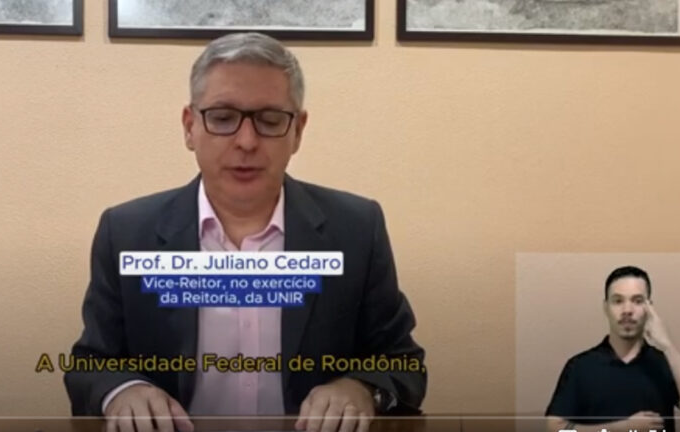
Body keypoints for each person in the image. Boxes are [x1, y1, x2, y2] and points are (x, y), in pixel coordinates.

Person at [64, 32, 426, 432]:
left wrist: (362, 389)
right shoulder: (127, 232)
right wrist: (122, 390)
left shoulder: (356, 229)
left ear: (298, 131)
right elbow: (90, 365)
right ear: (189, 127)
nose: (247, 141)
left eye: (270, 120)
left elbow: (403, 362)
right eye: (222, 118)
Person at [545, 266, 680, 432]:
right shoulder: (580, 366)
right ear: (606, 307)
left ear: (650, 308)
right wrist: (623, 427)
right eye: (618, 301)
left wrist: (668, 346)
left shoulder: (665, 363)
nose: (627, 310)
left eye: (637, 301)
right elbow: (554, 428)